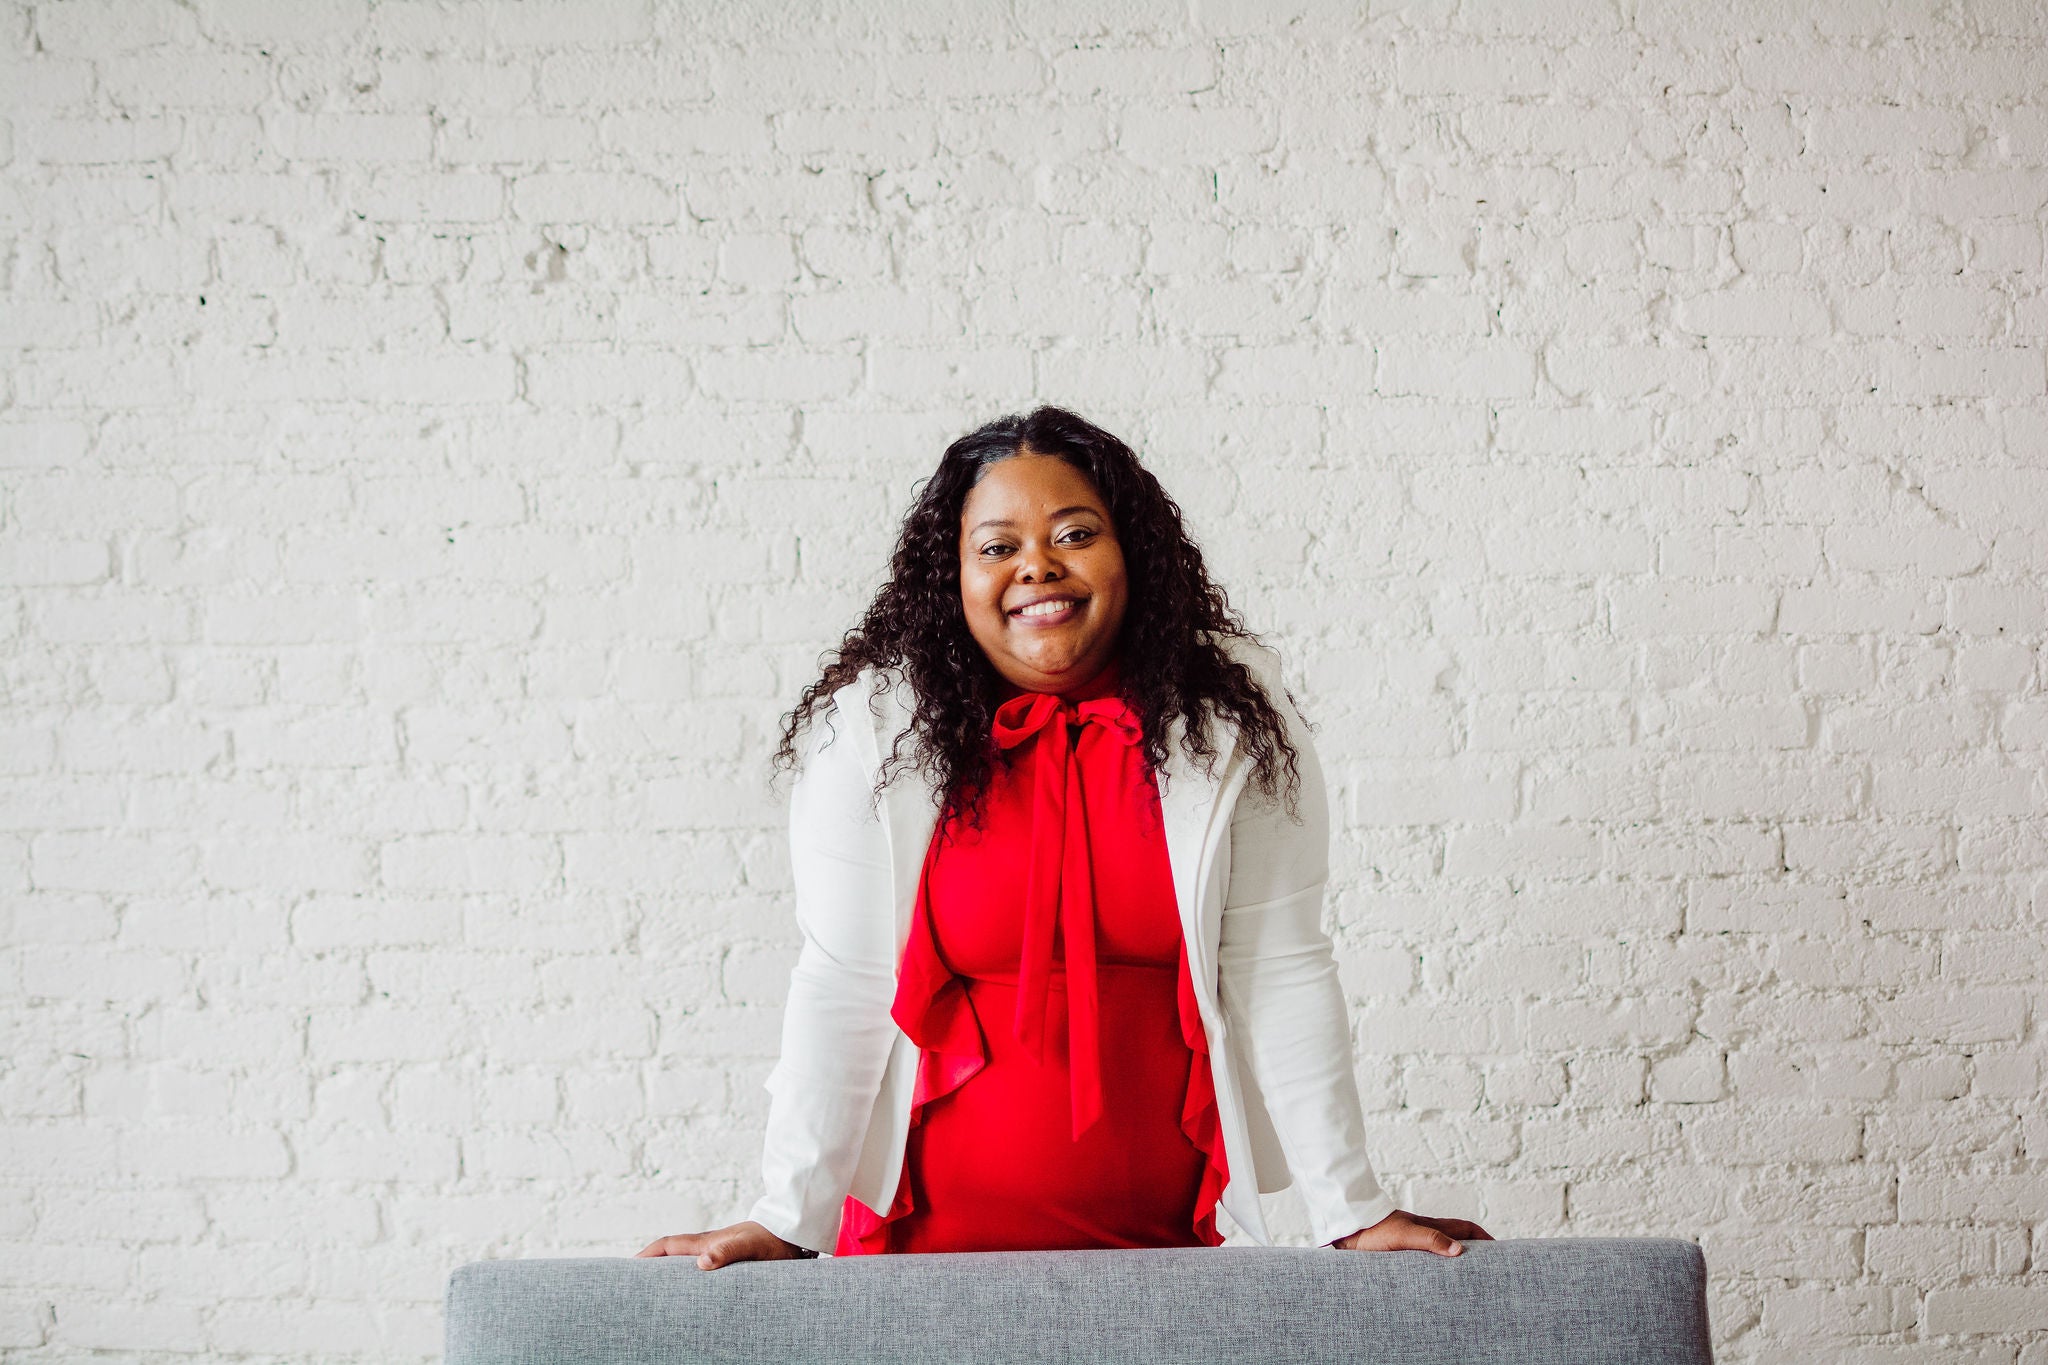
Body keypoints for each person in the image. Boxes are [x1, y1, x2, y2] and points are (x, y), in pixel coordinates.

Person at [638, 406, 1492, 1269]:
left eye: (1074, 532)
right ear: (953, 575)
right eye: (996, 546)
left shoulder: (1229, 723)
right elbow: (843, 978)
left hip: (1159, 1258)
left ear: (1133, 552)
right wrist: (785, 1216)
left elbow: (1279, 966)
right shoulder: (874, 729)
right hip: (913, 1262)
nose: (1037, 566)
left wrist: (1350, 1206)